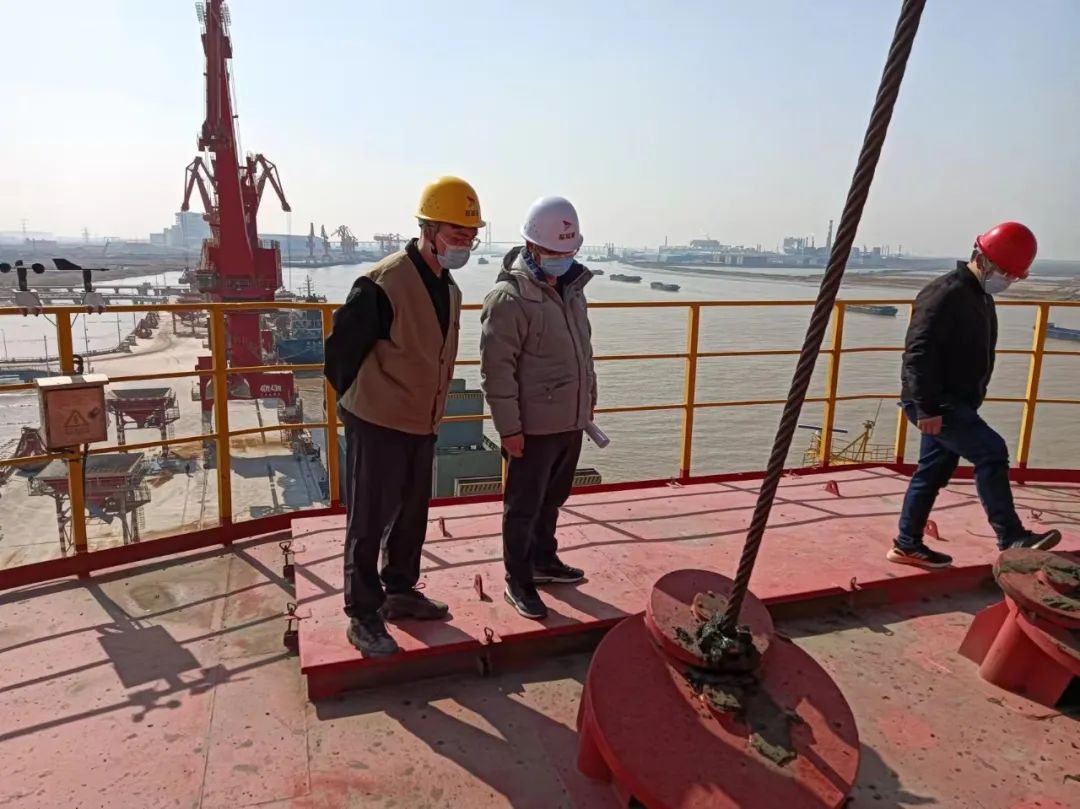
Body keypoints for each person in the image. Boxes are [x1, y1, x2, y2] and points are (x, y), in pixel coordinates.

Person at [324, 176, 483, 656]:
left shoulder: (448, 288)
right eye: (456, 235)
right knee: (369, 519)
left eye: (470, 236)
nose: (464, 244)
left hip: (422, 421)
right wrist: (365, 404)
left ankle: (399, 590)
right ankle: (363, 614)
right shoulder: (384, 282)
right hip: (377, 421)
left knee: (413, 513)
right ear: (428, 230)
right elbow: (339, 356)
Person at [890, 221, 1061, 568]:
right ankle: (1011, 536)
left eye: (1012, 276)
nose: (1006, 280)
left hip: (953, 401)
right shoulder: (945, 294)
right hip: (938, 401)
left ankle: (907, 545)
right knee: (991, 452)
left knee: (932, 473)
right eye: (1004, 272)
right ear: (981, 259)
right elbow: (918, 353)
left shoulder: (978, 295)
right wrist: (926, 408)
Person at [479, 196, 596, 619]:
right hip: (532, 428)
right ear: (531, 247)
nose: (563, 259)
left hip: (569, 421)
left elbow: (583, 352)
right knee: (523, 507)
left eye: (569, 251)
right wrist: (510, 430)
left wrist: (587, 402)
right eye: (554, 251)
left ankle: (544, 560)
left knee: (553, 498)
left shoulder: (573, 290)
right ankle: (519, 580)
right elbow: (496, 371)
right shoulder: (509, 299)